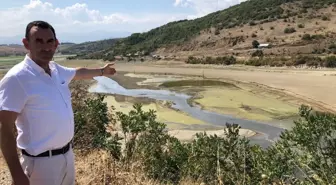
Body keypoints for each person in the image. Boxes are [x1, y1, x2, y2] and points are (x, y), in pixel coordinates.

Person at [0, 20, 116, 185]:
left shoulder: (55, 69)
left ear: (56, 44)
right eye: (38, 41)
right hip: (39, 165)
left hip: (67, 156)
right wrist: (17, 174)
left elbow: (77, 73)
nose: (46, 47)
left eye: (49, 41)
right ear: (26, 44)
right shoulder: (17, 78)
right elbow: (4, 128)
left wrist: (102, 72)